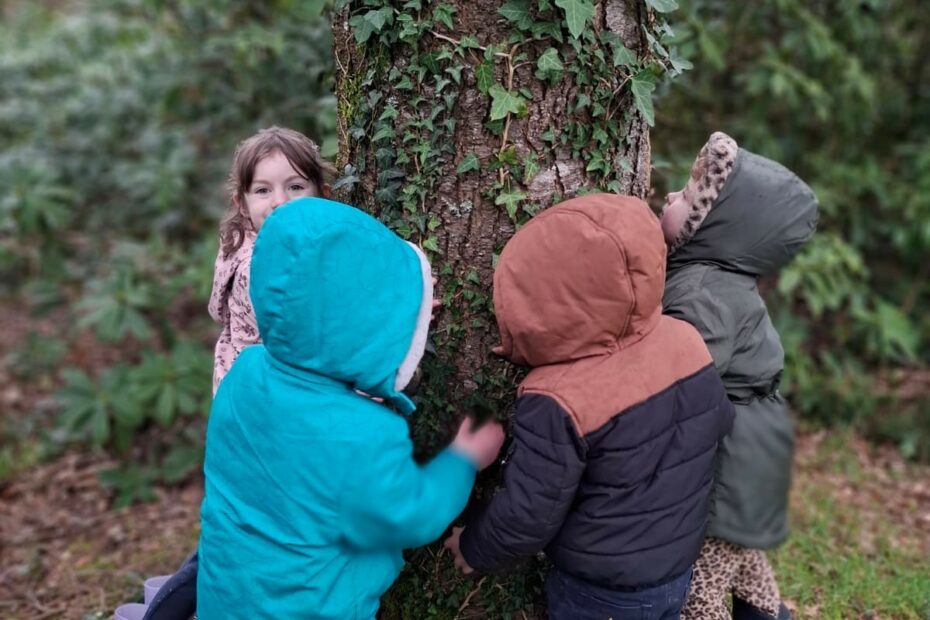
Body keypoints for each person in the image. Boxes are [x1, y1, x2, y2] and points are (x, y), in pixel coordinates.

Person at [197, 198, 505, 619]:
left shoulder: (244, 374)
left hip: (225, 598)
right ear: (369, 330)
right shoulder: (361, 435)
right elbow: (412, 514)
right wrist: (463, 459)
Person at [444, 194, 735, 620]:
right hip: (675, 570)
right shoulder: (685, 340)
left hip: (601, 592)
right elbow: (718, 424)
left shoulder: (556, 396)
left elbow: (531, 510)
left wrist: (475, 547)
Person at [660, 132, 818, 620]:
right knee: (740, 558)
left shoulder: (702, 291)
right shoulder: (718, 278)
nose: (670, 195)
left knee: (699, 588)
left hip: (732, 457)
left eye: (688, 195)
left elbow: (685, 377)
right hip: (755, 445)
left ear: (715, 224)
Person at [209, 125, 336, 393]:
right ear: (242, 205)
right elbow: (311, 329)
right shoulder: (255, 268)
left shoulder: (310, 245)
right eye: (262, 190)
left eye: (295, 187)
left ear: (323, 195)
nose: (280, 201)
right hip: (265, 392)